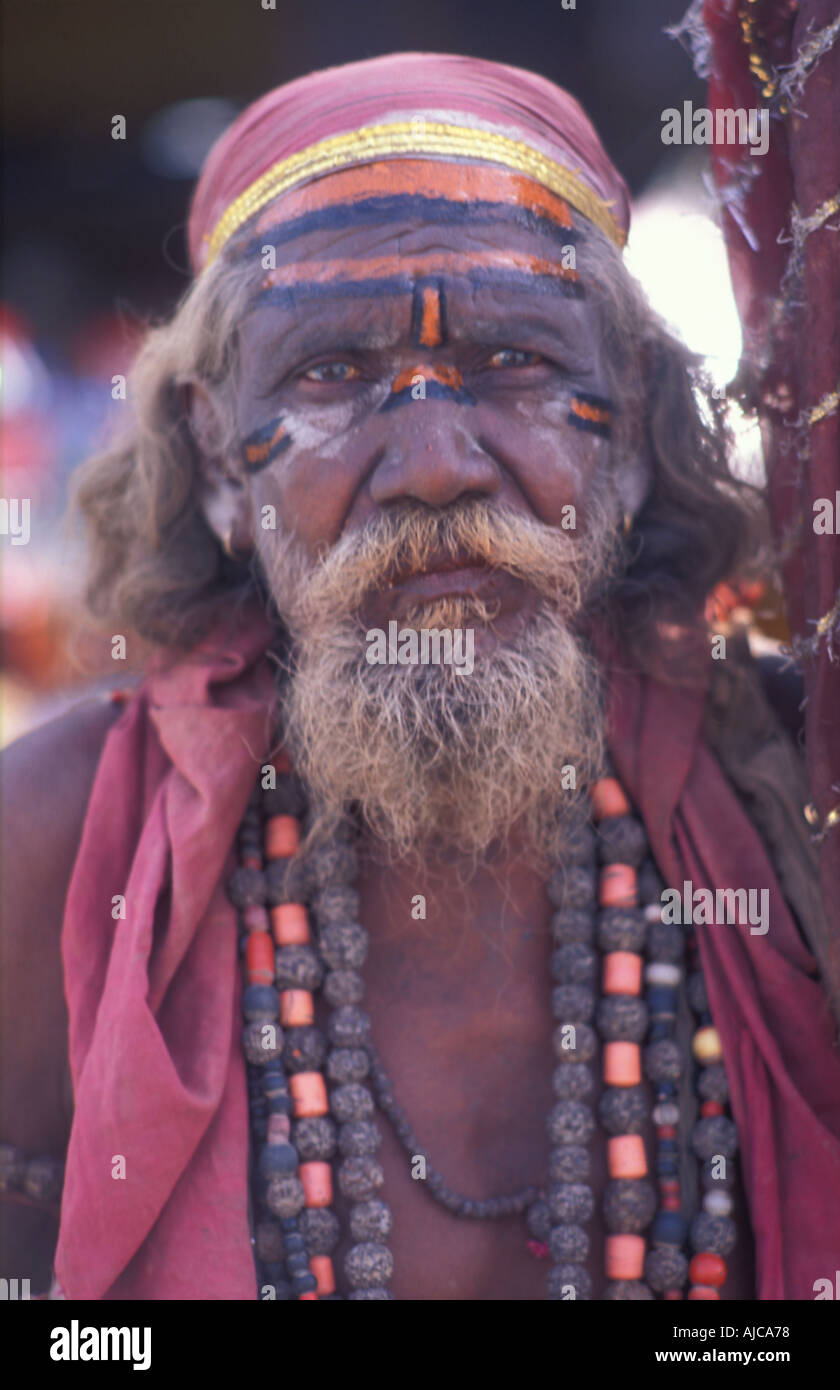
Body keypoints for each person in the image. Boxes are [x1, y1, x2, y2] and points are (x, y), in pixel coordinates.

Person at [2, 53, 839, 1303]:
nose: (438, 464)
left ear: (635, 438)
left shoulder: (792, 807)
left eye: (516, 362)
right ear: (223, 467)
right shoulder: (58, 849)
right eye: (334, 374)